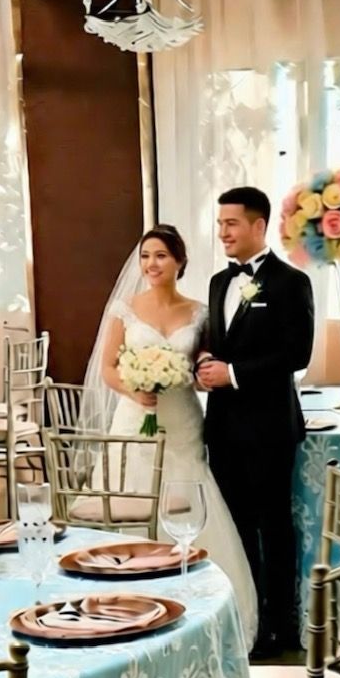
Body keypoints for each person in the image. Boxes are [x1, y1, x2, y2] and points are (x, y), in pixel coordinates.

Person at [88, 224, 259, 646]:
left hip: (182, 419)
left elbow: (203, 365)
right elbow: (109, 366)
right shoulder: (124, 309)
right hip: (135, 419)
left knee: (189, 499)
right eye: (146, 256)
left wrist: (198, 370)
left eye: (161, 255)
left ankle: (198, 611)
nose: (151, 264)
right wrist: (135, 388)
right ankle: (124, 603)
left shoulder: (200, 312)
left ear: (180, 261)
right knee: (130, 499)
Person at [197, 187, 315, 659]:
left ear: (258, 226)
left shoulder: (291, 282)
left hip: (269, 425)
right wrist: (207, 361)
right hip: (223, 425)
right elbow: (219, 342)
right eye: (220, 224)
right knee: (236, 525)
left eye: (231, 223)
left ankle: (280, 628)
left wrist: (235, 374)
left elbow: (296, 353)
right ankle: (243, 619)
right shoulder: (217, 282)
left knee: (274, 525)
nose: (223, 231)